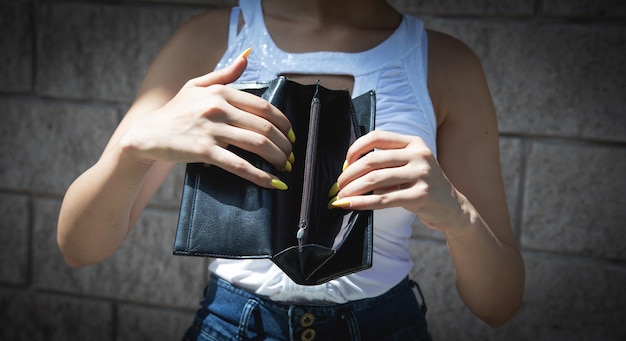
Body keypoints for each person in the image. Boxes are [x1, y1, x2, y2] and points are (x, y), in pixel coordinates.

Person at [57, 0, 525, 339]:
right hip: (232, 326)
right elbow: (79, 248)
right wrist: (133, 150)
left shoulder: (446, 64)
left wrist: (455, 212)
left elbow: (499, 304)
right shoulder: (210, 39)